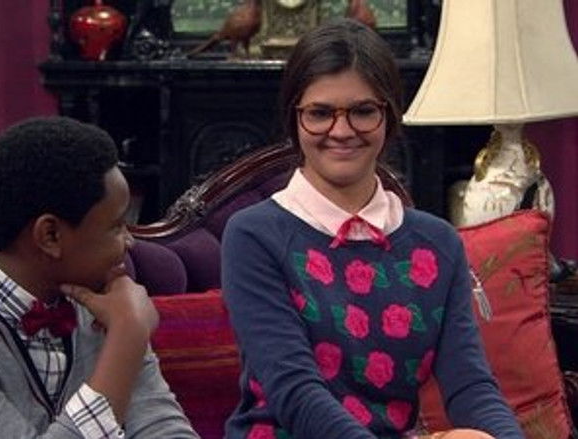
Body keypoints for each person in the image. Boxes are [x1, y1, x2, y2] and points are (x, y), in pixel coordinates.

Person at [220, 19, 525, 439]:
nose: (341, 131)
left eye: (363, 111)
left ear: (389, 117)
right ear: (294, 119)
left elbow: (471, 387)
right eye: (320, 114)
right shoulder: (254, 235)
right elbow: (295, 392)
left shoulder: (438, 243)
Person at [0, 116, 199, 439]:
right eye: (116, 226)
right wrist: (126, 339)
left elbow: (165, 430)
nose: (129, 242)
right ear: (50, 235)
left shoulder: (103, 305)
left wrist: (125, 334)